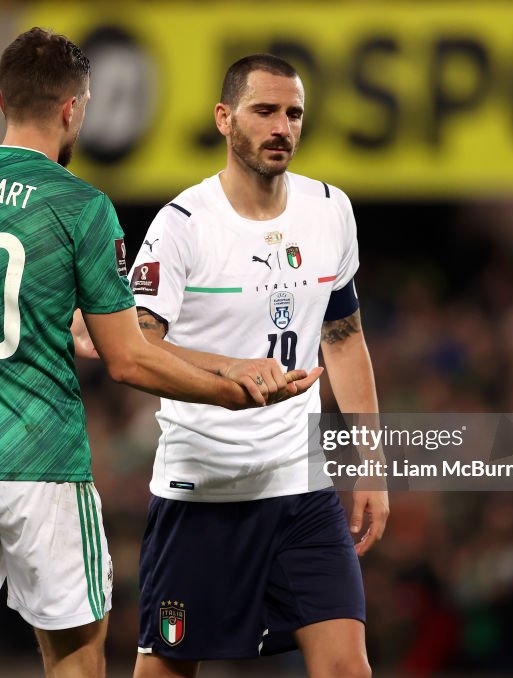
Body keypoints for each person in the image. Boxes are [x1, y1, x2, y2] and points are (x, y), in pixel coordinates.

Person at [0, 29, 322, 678]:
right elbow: (129, 360)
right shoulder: (80, 206)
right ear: (74, 109)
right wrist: (238, 391)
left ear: (3, 98)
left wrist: (224, 361)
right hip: (38, 462)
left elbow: (13, 311)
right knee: (78, 664)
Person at [128, 54, 387, 678]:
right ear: (224, 118)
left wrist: (373, 468)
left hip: (301, 490)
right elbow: (137, 346)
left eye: (294, 113)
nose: (283, 127)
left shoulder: (330, 210)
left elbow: (345, 340)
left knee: (348, 667)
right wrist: (228, 374)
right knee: (166, 670)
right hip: (202, 492)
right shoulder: (182, 225)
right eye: (265, 111)